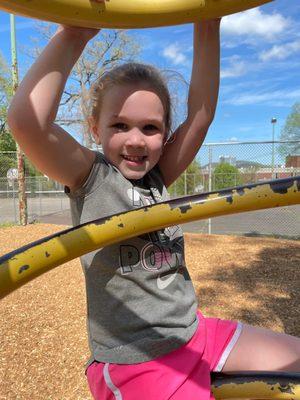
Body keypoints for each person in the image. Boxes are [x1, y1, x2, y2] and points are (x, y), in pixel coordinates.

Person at [7, 15, 300, 400]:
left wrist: (207, 22)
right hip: (138, 360)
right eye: (119, 126)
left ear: (164, 135)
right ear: (96, 128)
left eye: (150, 128)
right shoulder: (91, 177)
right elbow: (26, 121)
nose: (136, 141)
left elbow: (201, 114)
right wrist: (75, 33)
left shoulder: (157, 177)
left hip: (195, 333)